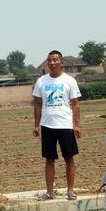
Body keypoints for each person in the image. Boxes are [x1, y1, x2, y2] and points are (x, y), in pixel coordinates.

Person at [32, 50, 81, 200]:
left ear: (61, 63)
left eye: (55, 60)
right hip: (47, 125)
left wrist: (76, 125)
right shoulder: (41, 81)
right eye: (50, 60)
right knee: (49, 159)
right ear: (47, 63)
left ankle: (70, 191)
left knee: (69, 158)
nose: (52, 63)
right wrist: (36, 125)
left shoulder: (69, 81)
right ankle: (49, 192)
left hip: (65, 125)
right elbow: (38, 105)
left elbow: (75, 104)